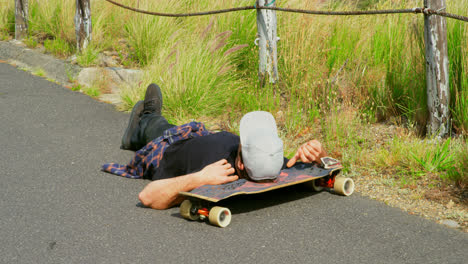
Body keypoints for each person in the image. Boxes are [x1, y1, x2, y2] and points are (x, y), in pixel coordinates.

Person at [102, 84, 327, 210]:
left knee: (157, 126)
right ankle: (147, 121)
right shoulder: (267, 164)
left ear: (240, 162)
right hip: (202, 136)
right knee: (177, 127)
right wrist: (318, 155)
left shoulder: (212, 173)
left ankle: (143, 121)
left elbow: (147, 196)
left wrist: (200, 178)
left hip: (168, 148)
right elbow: (316, 168)